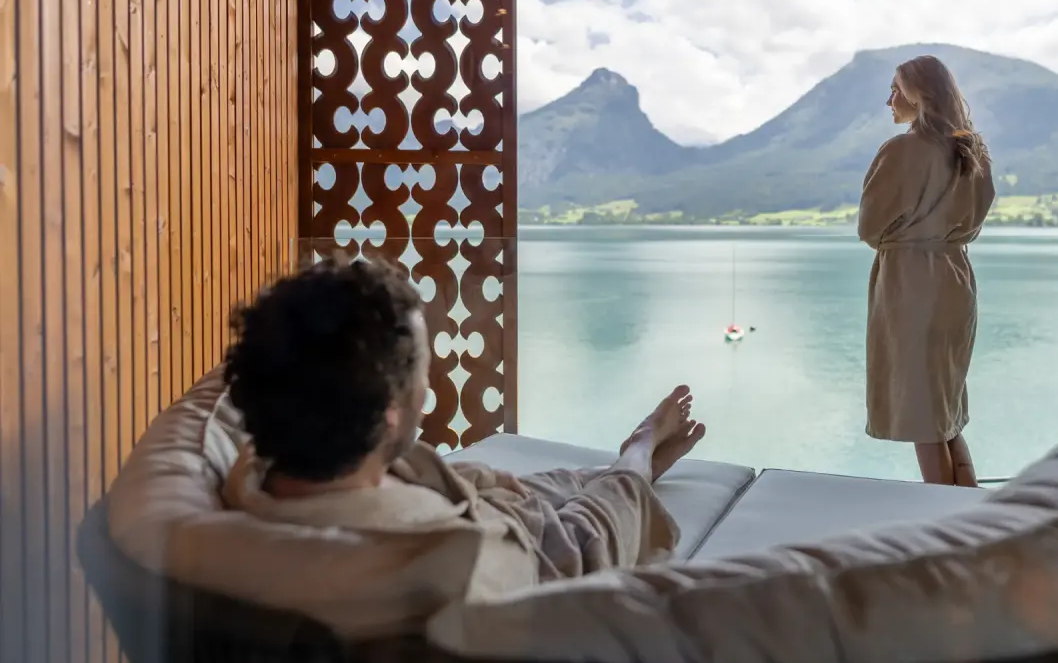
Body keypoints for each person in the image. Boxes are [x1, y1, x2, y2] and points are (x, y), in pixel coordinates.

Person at [219, 254, 707, 618]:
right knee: (604, 511)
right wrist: (637, 457)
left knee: (541, 485)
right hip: (538, 543)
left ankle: (626, 470)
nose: (427, 390)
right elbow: (582, 553)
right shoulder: (453, 558)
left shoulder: (253, 482)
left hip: (471, 500)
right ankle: (636, 458)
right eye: (422, 376)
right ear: (391, 412)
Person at [857, 55, 995, 487]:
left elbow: (870, 226)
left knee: (922, 411)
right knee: (944, 406)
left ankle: (942, 521)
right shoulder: (970, 149)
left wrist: (904, 239)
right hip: (955, 278)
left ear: (920, 96)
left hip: (912, 283)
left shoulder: (900, 151)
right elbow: (974, 220)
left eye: (896, 89)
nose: (889, 99)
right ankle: (968, 507)